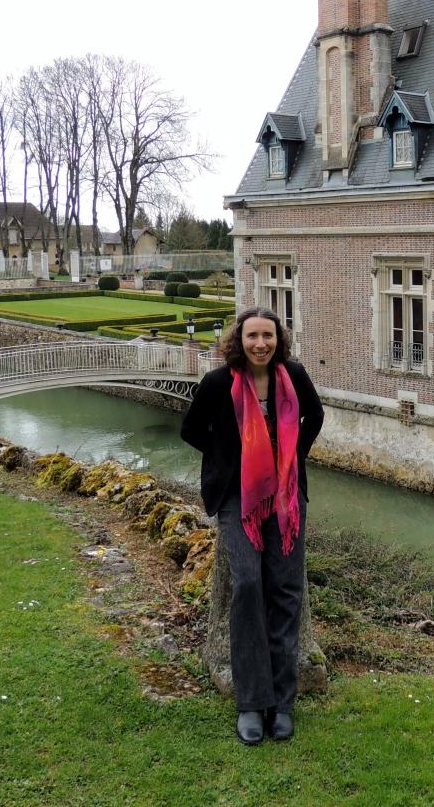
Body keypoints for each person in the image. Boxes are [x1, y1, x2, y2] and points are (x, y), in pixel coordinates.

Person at [179, 307, 323, 745]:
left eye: (268, 336)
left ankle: (281, 703)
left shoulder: (293, 375)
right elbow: (190, 429)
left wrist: (291, 459)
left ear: (278, 338)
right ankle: (251, 701)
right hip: (239, 499)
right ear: (238, 341)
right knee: (246, 588)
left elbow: (313, 418)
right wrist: (231, 457)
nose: (260, 344)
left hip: (285, 495)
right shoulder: (220, 383)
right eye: (252, 336)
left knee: (286, 590)